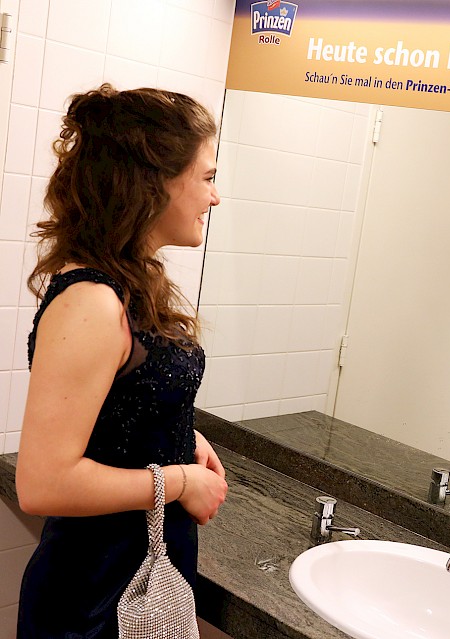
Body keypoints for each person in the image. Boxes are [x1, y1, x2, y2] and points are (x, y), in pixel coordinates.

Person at [15, 84, 229, 637]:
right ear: (155, 183)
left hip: (133, 577)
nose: (215, 197)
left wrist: (176, 433)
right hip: (94, 597)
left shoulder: (128, 282)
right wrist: (179, 481)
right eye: (207, 177)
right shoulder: (92, 300)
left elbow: (118, 405)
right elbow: (42, 483)